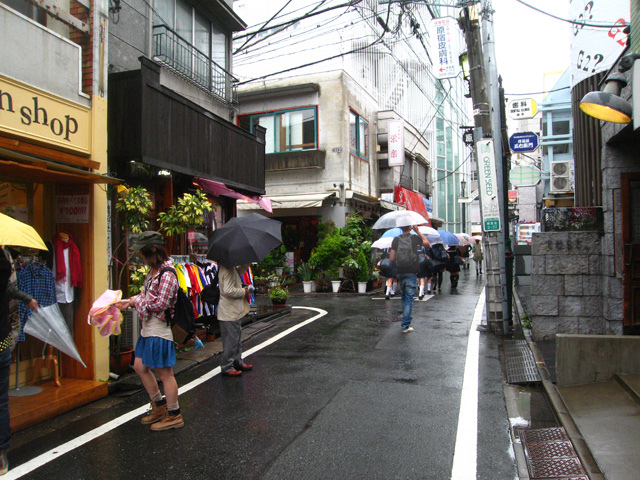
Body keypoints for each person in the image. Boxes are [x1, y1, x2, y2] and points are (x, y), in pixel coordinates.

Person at [115, 231, 183, 431]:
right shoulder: (154, 272)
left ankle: (174, 413)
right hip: (148, 328)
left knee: (165, 373)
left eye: (143, 253)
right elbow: (147, 295)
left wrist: (137, 302)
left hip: (159, 329)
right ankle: (159, 406)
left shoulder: (168, 273)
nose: (141, 258)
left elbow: (161, 303)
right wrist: (130, 301)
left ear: (153, 251)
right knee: (139, 366)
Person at [0, 246, 38, 475]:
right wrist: (29, 299)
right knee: (2, 401)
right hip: (2, 342)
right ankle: (1, 456)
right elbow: (11, 290)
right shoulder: (4, 273)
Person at [390, 225, 430, 333]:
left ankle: (405, 322)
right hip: (411, 271)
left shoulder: (396, 240)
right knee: (408, 298)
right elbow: (427, 243)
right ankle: (405, 325)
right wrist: (418, 231)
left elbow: (392, 258)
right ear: (410, 227)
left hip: (400, 272)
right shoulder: (414, 238)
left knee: (403, 296)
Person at [217, 263, 253, 376]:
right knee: (231, 340)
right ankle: (227, 366)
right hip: (229, 312)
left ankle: (237, 361)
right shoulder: (227, 269)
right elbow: (228, 290)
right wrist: (244, 291)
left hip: (233, 311)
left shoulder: (231, 268)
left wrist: (247, 262)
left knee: (236, 338)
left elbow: (238, 271)